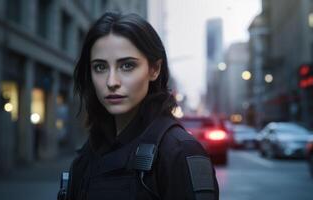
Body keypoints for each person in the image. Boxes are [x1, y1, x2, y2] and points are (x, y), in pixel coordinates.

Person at [66, 12, 219, 200]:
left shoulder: (179, 151)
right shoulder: (89, 152)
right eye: (100, 67)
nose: (111, 81)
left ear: (154, 69)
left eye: (127, 66)